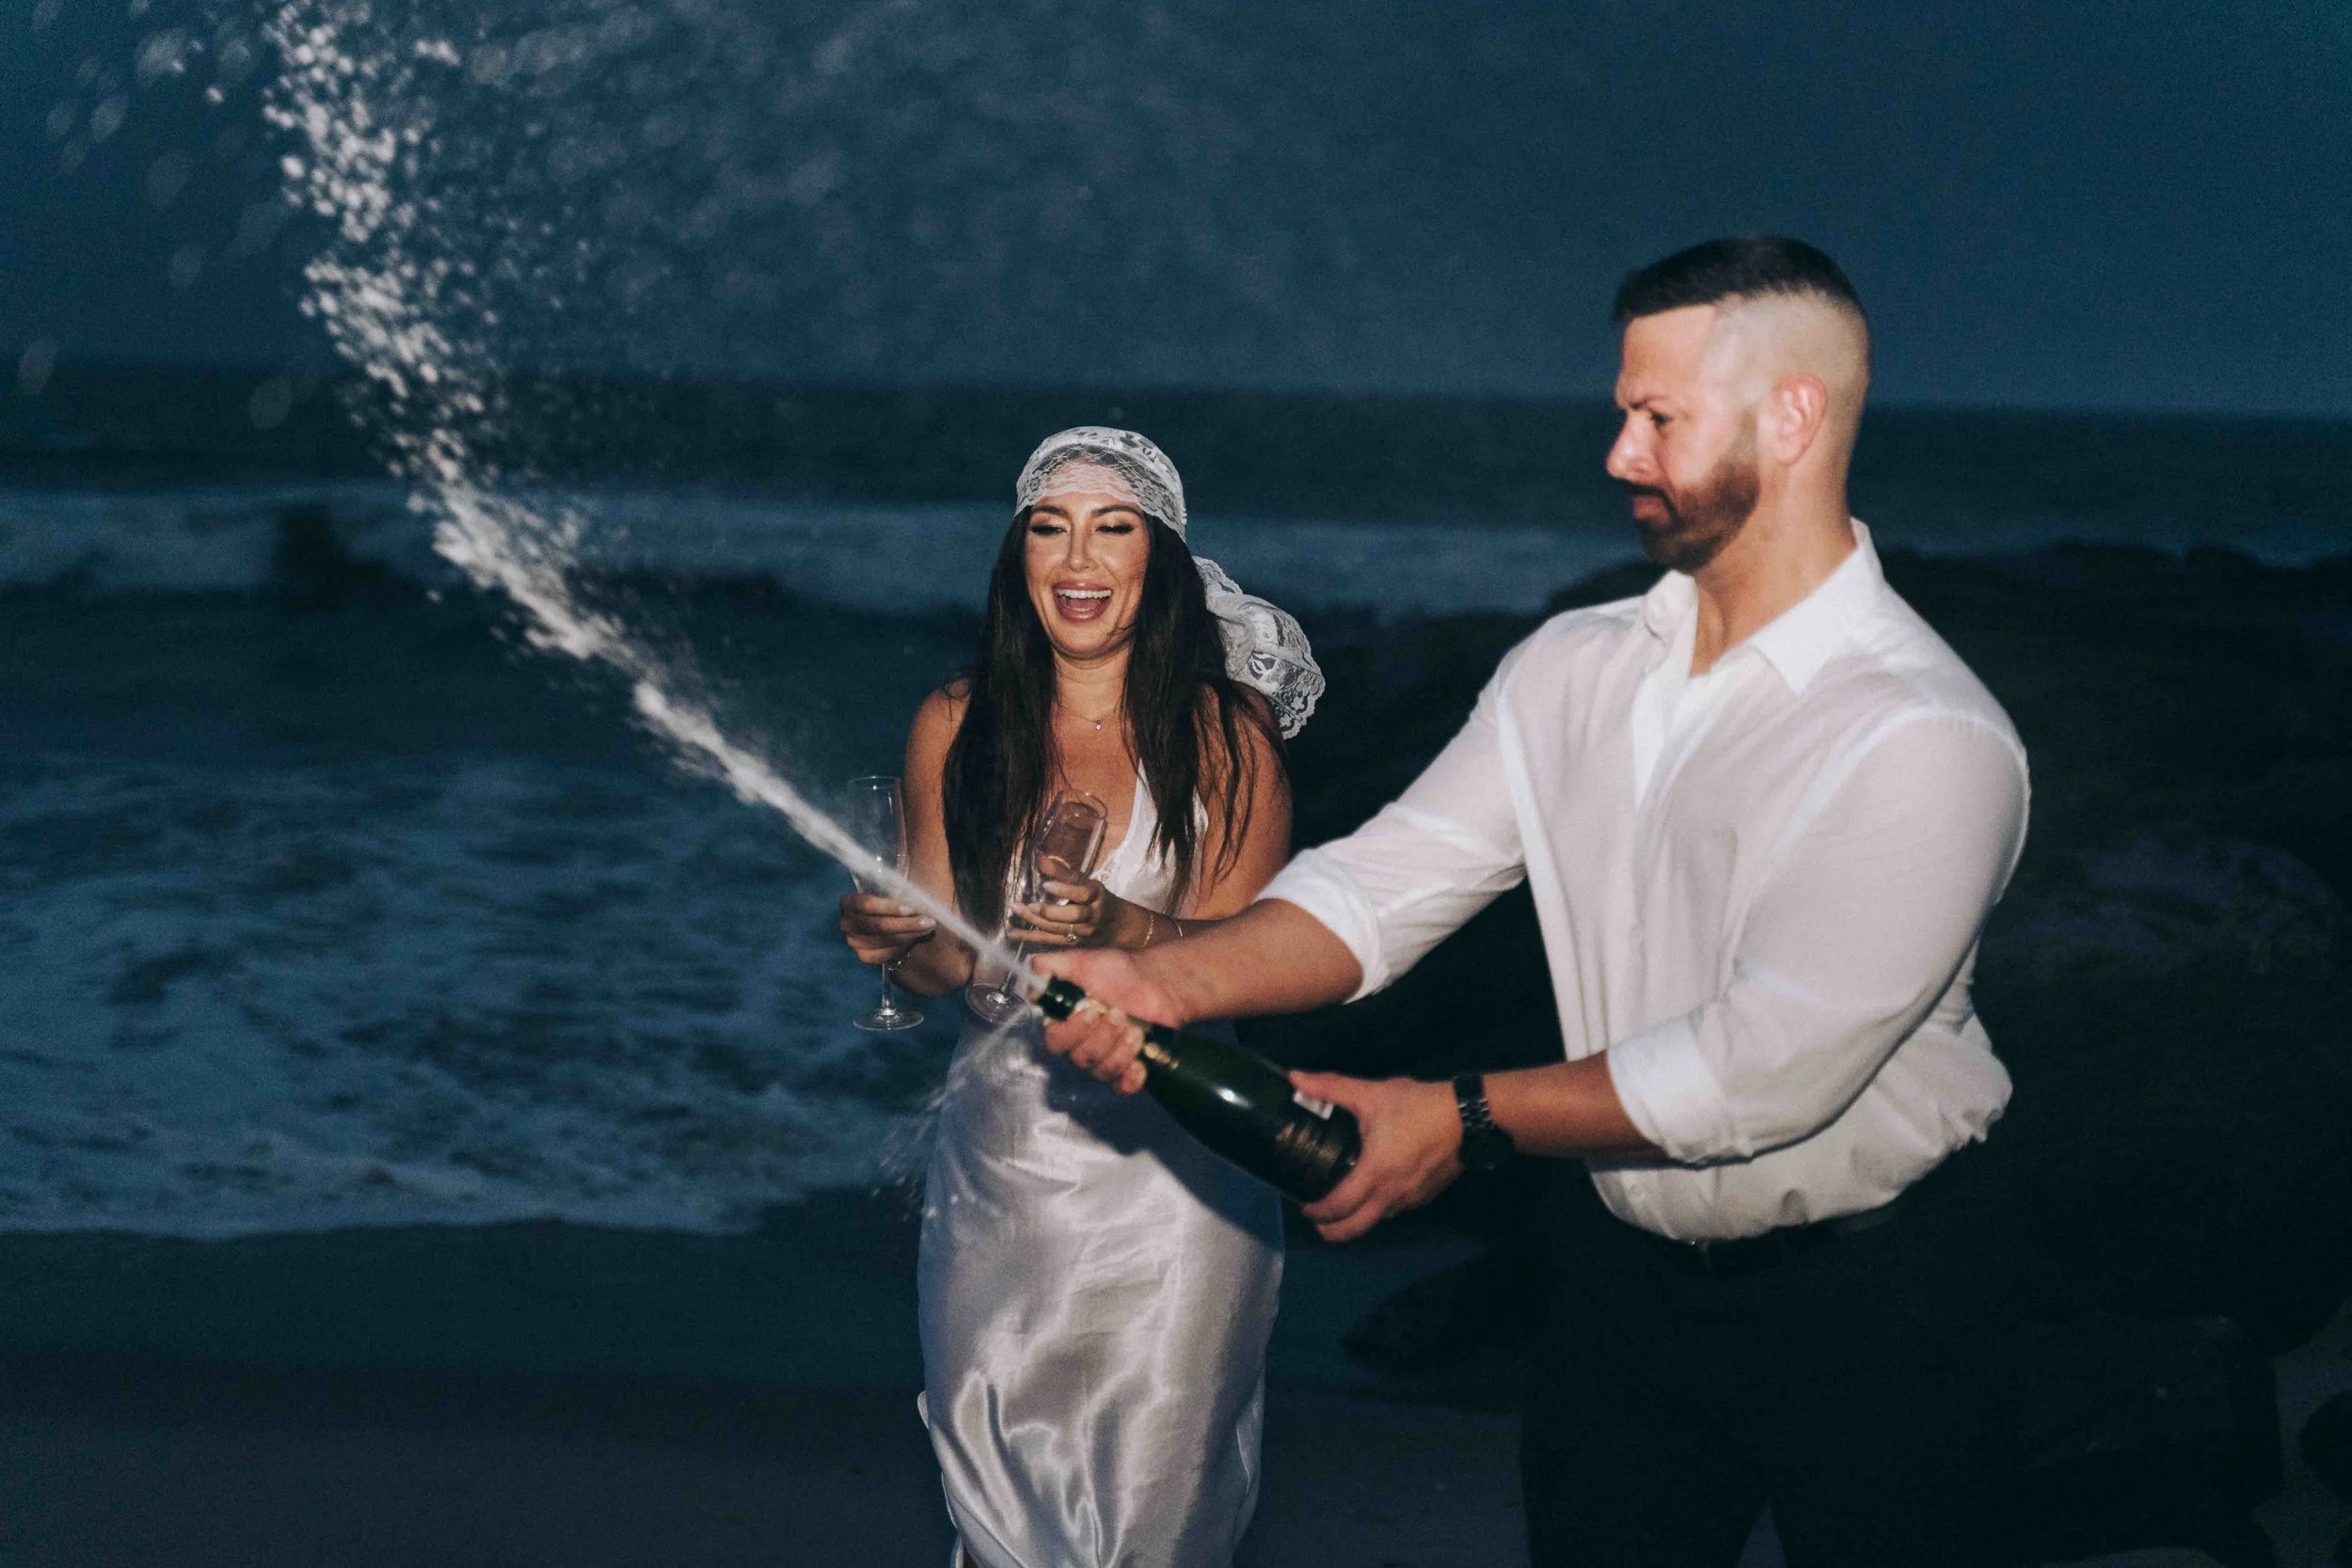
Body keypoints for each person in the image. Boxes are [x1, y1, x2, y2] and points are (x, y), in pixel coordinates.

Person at [1039, 240, 2032, 1568]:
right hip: (1620, 1289)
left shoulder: (1925, 732)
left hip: (1881, 1303)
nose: (1621, 454)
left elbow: (1758, 1070)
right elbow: (1382, 881)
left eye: (1658, 417)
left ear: (1792, 416)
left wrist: (1456, 1117)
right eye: (1624, 410)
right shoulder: (1574, 666)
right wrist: (1174, 978)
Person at [836, 427, 1324, 1568]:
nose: (1077, 557)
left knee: (1158, 1507)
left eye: (1113, 527)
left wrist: (1123, 930)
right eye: (1049, 527)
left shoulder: (1226, 738)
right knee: (997, 1492)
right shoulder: (955, 722)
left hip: (1179, 1174)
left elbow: (1252, 957)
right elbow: (950, 963)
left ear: (1160, 557)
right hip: (1001, 1164)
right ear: (1017, 558)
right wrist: (891, 943)